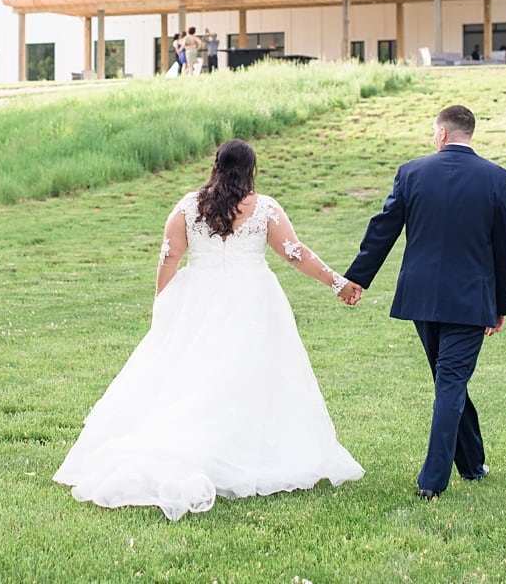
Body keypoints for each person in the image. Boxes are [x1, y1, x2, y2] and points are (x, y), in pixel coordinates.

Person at [55, 139, 363, 519]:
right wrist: (338, 283)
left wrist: (163, 305)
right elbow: (295, 253)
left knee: (195, 375)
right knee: (249, 376)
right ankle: (236, 450)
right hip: (252, 300)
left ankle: (200, 447)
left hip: (197, 300)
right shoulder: (265, 208)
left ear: (216, 165)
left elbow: (169, 258)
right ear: (251, 169)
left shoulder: (188, 207)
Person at [336, 104, 506, 499]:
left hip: (422, 297)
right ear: (469, 134)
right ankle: (442, 478)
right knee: (450, 380)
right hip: (471, 301)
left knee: (448, 380)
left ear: (441, 134)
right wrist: (500, 305)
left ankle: (462, 468)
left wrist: (357, 279)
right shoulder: (498, 179)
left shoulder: (412, 172)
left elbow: (382, 229)